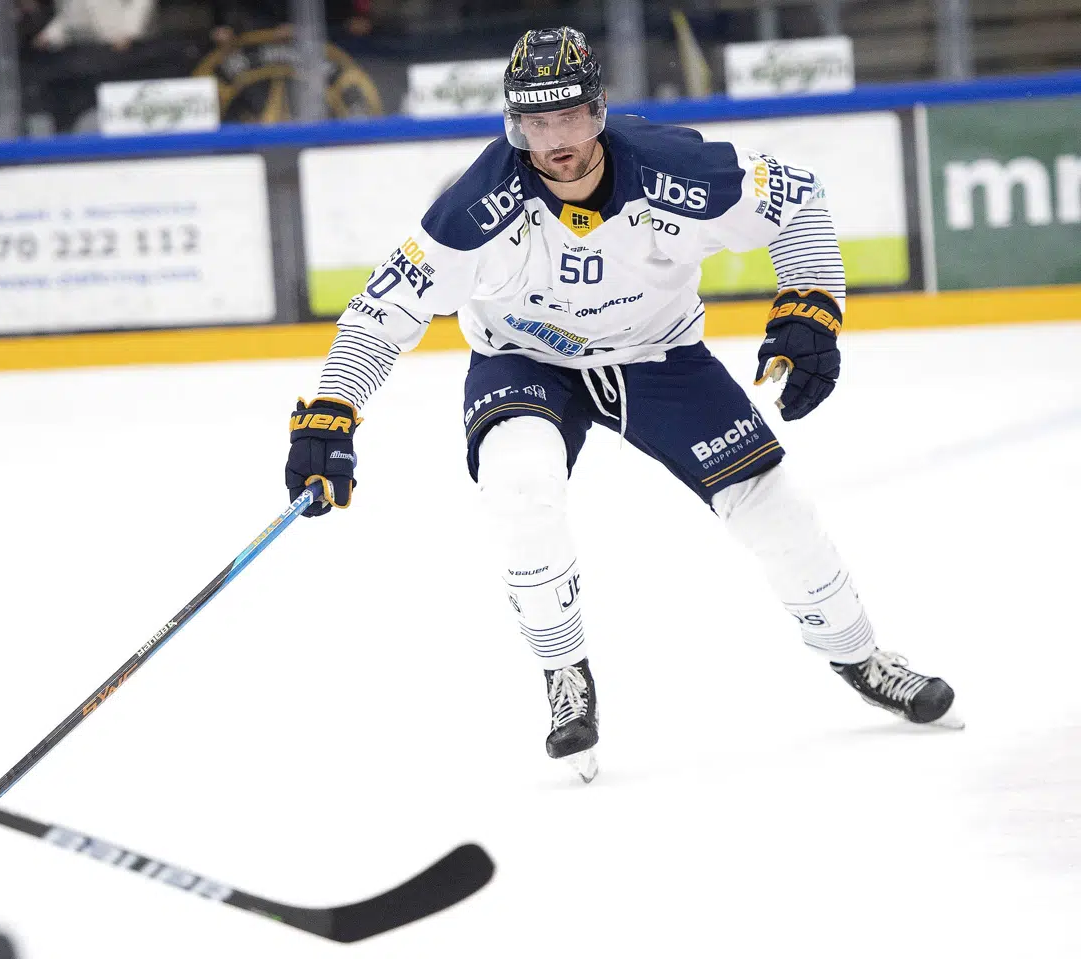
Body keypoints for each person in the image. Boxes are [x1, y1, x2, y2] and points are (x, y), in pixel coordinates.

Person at [285, 27, 959, 783]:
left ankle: (860, 656)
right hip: (525, 360)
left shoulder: (678, 169)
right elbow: (380, 316)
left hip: (658, 356)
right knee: (520, 488)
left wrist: (810, 309)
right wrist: (330, 414)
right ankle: (564, 673)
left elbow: (796, 201)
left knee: (775, 507)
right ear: (514, 124)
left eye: (568, 117)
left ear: (599, 109)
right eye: (534, 123)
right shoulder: (473, 209)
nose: (554, 141)